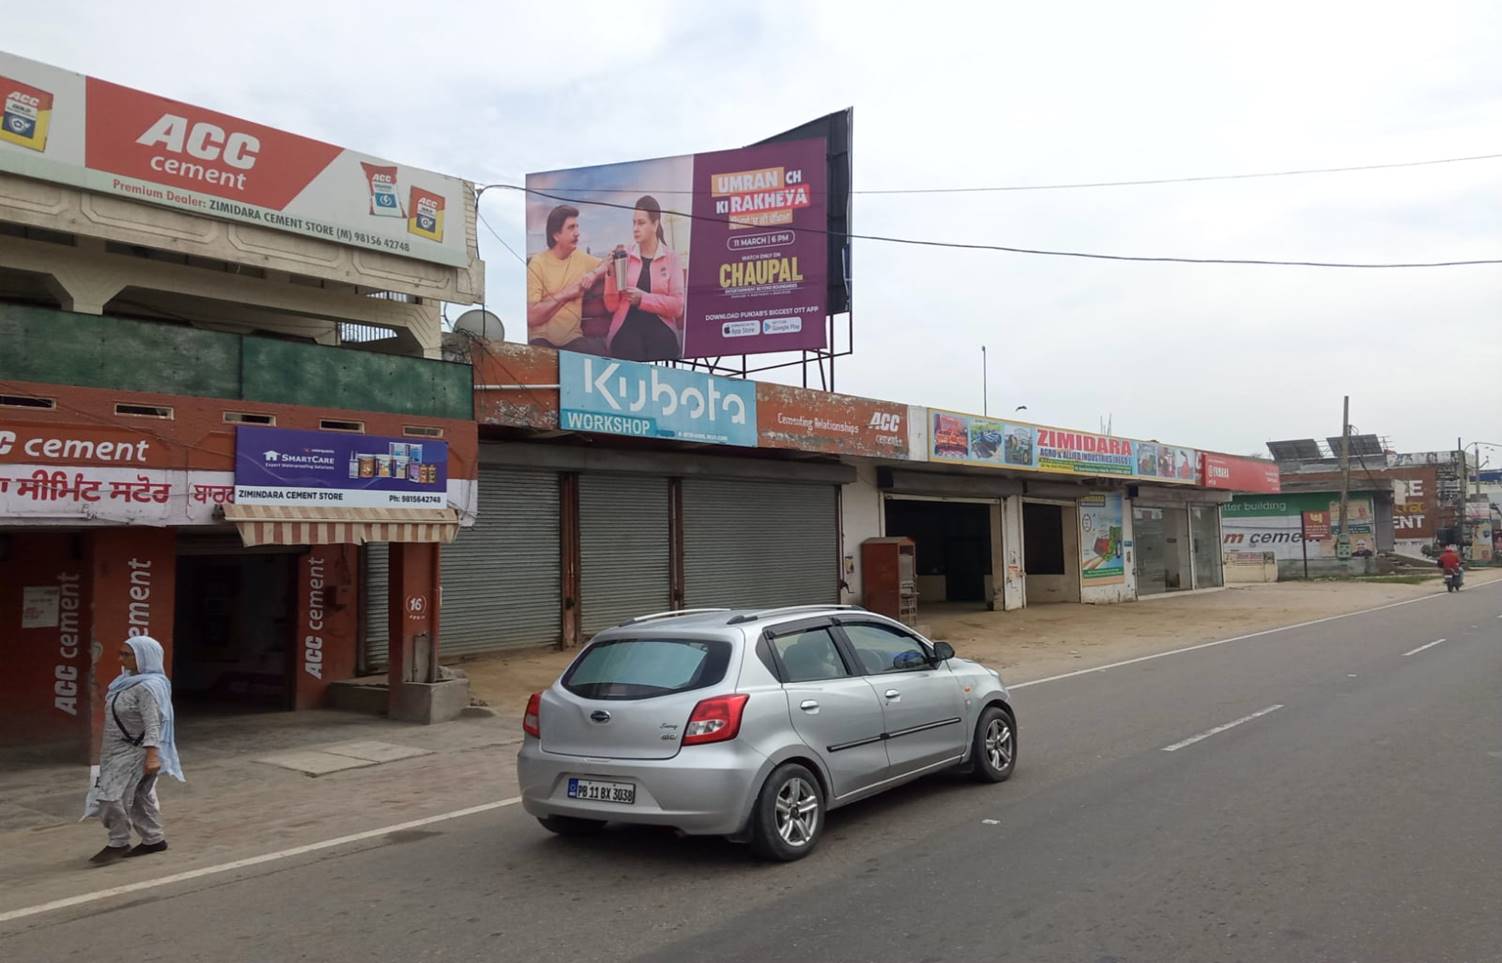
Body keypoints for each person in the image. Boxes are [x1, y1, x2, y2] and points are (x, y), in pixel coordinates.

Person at [87, 636, 184, 865]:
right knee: (140, 797)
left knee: (109, 798)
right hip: (114, 751)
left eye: (126, 655)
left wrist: (152, 756)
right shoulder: (124, 681)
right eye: (120, 653)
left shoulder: (148, 687)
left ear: (144, 657)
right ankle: (154, 839)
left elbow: (153, 724)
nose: (120, 659)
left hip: (136, 751)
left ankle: (118, 841)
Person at [602, 195, 685, 361]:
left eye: (641, 223)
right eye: (634, 223)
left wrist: (643, 299)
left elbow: (677, 307)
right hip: (626, 326)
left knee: (661, 345)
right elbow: (611, 306)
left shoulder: (671, 258)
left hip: (661, 327)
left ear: (655, 224)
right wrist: (610, 274)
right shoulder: (624, 254)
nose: (635, 228)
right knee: (628, 348)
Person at [526, 204, 612, 353]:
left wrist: (594, 274)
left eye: (577, 227)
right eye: (571, 228)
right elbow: (532, 317)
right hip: (542, 341)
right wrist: (567, 294)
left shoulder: (579, 257)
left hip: (573, 341)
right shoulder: (538, 263)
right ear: (556, 235)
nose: (577, 233)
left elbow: (608, 262)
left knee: (598, 352)